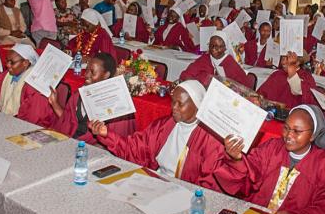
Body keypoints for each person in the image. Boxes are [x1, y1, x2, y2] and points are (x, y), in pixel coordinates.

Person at [214, 105, 325, 214]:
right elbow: (250, 175)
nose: (289, 135)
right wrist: (237, 160)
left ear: (313, 135)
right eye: (286, 128)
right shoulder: (272, 148)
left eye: (297, 131)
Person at [89, 80, 225, 191]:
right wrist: (107, 134)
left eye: (180, 104)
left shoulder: (210, 139)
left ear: (198, 106)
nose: (174, 107)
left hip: (184, 193)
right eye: (173, 101)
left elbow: (209, 185)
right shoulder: (164, 125)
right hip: (155, 182)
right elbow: (136, 149)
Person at [47, 53, 135, 144]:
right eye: (86, 69)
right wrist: (54, 103)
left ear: (106, 75)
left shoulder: (117, 103)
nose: (86, 75)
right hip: (72, 141)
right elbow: (68, 122)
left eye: (92, 72)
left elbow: (117, 141)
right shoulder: (78, 95)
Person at [180, 31, 248, 87]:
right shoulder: (205, 58)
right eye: (211, 45)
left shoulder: (231, 64)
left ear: (225, 48)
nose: (213, 49)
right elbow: (186, 74)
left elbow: (243, 87)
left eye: (218, 46)